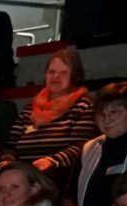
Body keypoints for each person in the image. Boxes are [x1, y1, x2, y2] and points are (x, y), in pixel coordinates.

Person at [11, 45, 95, 177]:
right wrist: (6, 161)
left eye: (63, 73)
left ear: (75, 76)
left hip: (60, 175)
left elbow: (83, 146)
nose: (56, 77)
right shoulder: (29, 109)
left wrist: (52, 161)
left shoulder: (83, 106)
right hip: (23, 176)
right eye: (51, 72)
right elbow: (10, 146)